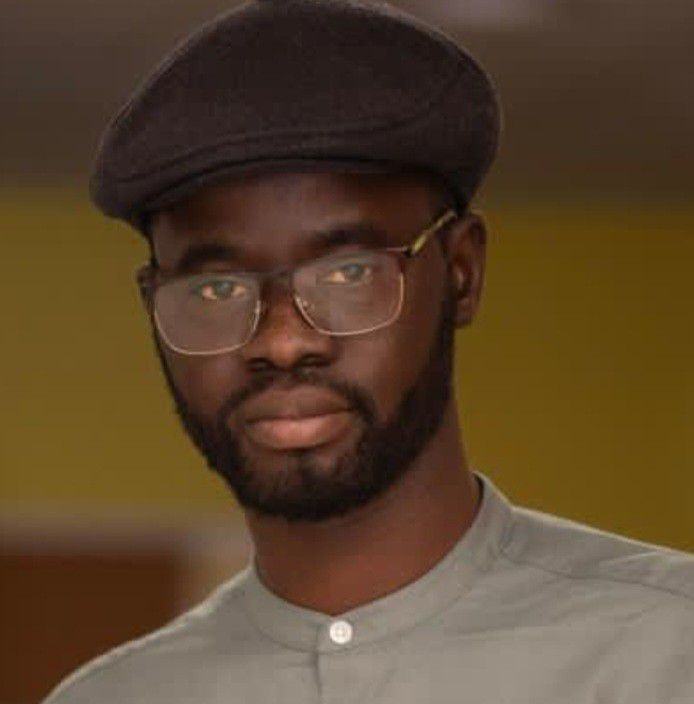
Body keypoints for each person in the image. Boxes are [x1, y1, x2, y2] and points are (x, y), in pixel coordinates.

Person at [45, 1, 693, 702]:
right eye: (216, 288)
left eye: (348, 273)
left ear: (462, 271)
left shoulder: (668, 650)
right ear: (152, 305)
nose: (282, 341)